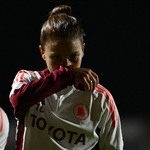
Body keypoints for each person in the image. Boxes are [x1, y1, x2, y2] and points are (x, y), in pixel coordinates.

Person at [9, 4, 123, 150]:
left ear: (83, 49)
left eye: (73, 56)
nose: (66, 65)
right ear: (42, 52)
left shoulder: (101, 99)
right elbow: (17, 101)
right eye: (56, 57)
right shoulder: (27, 79)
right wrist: (67, 76)